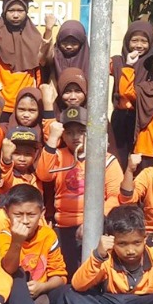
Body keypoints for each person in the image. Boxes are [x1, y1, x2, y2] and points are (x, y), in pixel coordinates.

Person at [39, 108, 123, 275]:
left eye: (81, 131)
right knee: (66, 273)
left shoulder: (106, 159)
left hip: (96, 225)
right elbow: (44, 174)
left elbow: (116, 197)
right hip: (63, 226)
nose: (75, 137)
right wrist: (53, 138)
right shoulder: (59, 156)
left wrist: (92, 222)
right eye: (69, 132)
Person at [0, 0, 51, 118]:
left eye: (20, 10)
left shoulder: (34, 36)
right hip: (1, 102)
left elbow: (43, 61)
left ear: (26, 11)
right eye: (11, 10)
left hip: (27, 106)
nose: (15, 15)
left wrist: (48, 31)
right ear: (4, 10)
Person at [109, 20, 153, 162]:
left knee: (139, 159)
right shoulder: (117, 61)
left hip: (143, 118)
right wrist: (127, 65)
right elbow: (97, 69)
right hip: (120, 117)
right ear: (127, 41)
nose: (139, 45)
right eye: (134, 40)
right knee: (118, 158)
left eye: (144, 41)